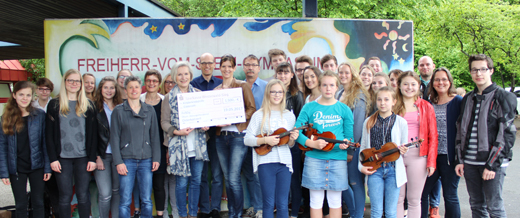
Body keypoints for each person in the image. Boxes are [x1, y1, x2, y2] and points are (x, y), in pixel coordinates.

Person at [454, 54, 516, 217]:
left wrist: (492, 164)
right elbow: (461, 130)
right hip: (470, 162)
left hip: (492, 163)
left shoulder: (503, 96)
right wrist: (460, 160)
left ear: (491, 71)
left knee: (494, 207)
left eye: (483, 69)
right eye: (474, 70)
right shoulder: (467, 98)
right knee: (476, 205)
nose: (478, 73)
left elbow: (507, 134)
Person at [294, 71, 354, 218]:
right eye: (325, 85)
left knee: (335, 201)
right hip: (314, 159)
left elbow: (349, 137)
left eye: (332, 85)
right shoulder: (309, 107)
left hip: (337, 158)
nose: (328, 88)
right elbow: (297, 132)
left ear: (337, 87)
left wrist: (345, 144)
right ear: (320, 86)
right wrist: (312, 144)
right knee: (315, 200)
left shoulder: (344, 109)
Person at [46, 69, 98, 218]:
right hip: (62, 157)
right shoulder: (54, 104)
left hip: (83, 157)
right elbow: (48, 135)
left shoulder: (88, 105)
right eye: (71, 80)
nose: (74, 84)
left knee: (82, 195)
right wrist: (53, 158)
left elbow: (93, 136)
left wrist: (92, 159)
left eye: (77, 81)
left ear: (81, 84)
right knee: (65, 196)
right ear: (65, 82)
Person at [245, 79, 299, 218]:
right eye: (273, 91)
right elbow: (247, 139)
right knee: (268, 203)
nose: (276, 95)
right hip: (265, 162)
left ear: (283, 93)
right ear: (268, 93)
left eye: (280, 92)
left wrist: (292, 139)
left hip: (284, 163)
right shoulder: (259, 115)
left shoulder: (289, 115)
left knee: (282, 203)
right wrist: (265, 140)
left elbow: (290, 144)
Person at [162, 62, 209, 218]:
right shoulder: (168, 98)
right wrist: (176, 131)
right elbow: (164, 122)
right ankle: (182, 214)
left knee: (196, 182)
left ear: (190, 75)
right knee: (181, 184)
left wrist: (205, 125)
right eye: (179, 74)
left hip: (197, 146)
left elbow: (205, 117)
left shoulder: (198, 94)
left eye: (186, 74)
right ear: (175, 77)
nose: (183, 77)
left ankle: (193, 214)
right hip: (178, 146)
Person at [110, 75, 161, 218]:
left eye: (136, 87)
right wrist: (118, 162)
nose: (134, 90)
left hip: (146, 160)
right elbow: (114, 138)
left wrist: (156, 158)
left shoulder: (149, 110)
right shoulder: (118, 111)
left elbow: (155, 136)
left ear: (141, 89)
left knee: (146, 199)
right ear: (125, 90)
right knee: (125, 200)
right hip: (127, 161)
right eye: (130, 87)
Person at [213, 54, 256, 218]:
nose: (226, 69)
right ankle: (232, 211)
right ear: (220, 68)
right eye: (223, 66)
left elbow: (251, 109)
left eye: (229, 66)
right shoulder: (216, 91)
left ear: (234, 68)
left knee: (233, 178)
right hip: (220, 138)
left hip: (238, 137)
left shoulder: (242, 86)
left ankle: (236, 214)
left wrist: (234, 118)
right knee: (227, 177)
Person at [0, 81, 51, 218]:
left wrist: (47, 167)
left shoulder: (39, 115)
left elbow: (45, 143)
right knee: (21, 204)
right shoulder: (6, 118)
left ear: (32, 96)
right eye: (21, 94)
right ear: (14, 95)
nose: (24, 98)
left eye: (28, 95)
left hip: (37, 166)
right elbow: (2, 147)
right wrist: (4, 172)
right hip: (16, 168)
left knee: (38, 203)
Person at [358, 86, 409, 218]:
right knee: (376, 211)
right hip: (375, 169)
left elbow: (403, 147)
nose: (382, 102)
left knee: (391, 211)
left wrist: (404, 150)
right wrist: (361, 166)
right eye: (379, 99)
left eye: (387, 99)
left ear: (394, 101)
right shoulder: (368, 121)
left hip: (393, 170)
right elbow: (363, 147)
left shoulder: (401, 122)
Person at [394, 71, 438, 218]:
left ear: (419, 86)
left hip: (418, 157)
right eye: (405, 84)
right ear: (399, 86)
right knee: (398, 199)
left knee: (414, 199)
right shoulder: (392, 105)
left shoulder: (426, 106)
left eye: (413, 84)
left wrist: (431, 161)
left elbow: (433, 135)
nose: (409, 87)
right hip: (396, 156)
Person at [420, 67, 462, 218]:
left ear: (450, 82)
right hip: (431, 156)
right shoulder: (429, 102)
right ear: (432, 82)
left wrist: (461, 158)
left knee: (450, 195)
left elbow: (464, 130)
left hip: (449, 157)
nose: (440, 82)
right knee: (422, 193)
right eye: (437, 79)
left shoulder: (458, 101)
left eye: (444, 79)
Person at [191, 52, 224, 218]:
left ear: (214, 64)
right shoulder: (192, 84)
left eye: (210, 63)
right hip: (199, 137)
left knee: (217, 175)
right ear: (199, 65)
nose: (207, 66)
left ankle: (215, 208)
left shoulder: (221, 83)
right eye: (204, 63)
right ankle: (204, 209)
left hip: (217, 135)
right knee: (202, 175)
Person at [336, 62, 370, 218]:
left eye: (346, 73)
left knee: (355, 183)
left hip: (353, 148)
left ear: (353, 75)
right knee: (341, 183)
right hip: (338, 146)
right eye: (340, 72)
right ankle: (354, 212)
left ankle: (357, 215)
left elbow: (358, 126)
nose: (343, 75)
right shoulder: (338, 93)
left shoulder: (359, 95)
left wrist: (351, 149)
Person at [274, 62, 304, 218]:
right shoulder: (272, 93)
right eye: (280, 72)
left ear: (292, 75)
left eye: (286, 72)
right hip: (275, 144)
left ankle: (294, 213)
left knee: (293, 179)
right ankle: (282, 210)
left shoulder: (297, 95)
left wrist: (292, 137)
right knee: (280, 180)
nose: (283, 76)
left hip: (292, 144)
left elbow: (301, 121)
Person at [94, 76, 123, 218]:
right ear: (100, 89)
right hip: (103, 156)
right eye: (105, 87)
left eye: (112, 87)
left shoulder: (122, 106)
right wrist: (96, 157)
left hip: (118, 156)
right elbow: (91, 135)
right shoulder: (94, 108)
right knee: (105, 194)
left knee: (116, 191)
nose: (109, 90)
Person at [140, 69, 168, 218]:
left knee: (158, 184)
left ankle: (160, 215)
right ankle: (143, 214)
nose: (151, 83)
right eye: (149, 80)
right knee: (143, 186)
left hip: (160, 149)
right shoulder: (138, 100)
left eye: (155, 81)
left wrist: (168, 149)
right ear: (145, 82)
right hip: (141, 149)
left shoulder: (165, 100)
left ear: (159, 84)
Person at [242, 54, 266, 218]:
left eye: (253, 65)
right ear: (243, 68)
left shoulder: (266, 87)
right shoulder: (238, 87)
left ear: (258, 68)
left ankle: (261, 207)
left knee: (258, 173)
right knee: (248, 173)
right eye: (247, 65)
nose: (250, 67)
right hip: (241, 136)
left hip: (260, 136)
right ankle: (253, 205)